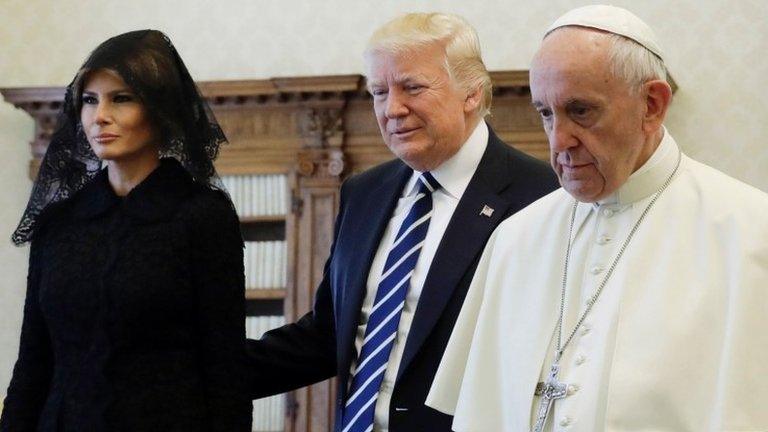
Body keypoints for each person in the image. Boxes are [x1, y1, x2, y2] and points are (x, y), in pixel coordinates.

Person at [426, 5, 768, 432]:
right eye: (546, 114)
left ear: (652, 104)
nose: (558, 140)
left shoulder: (750, 233)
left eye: (581, 111)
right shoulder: (515, 238)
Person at [246, 12, 558, 432]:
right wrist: (184, 371)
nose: (392, 108)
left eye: (412, 87)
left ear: (471, 93)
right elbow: (328, 336)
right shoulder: (363, 193)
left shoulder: (543, 197)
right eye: (379, 91)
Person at [0, 30, 251, 431]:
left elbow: (224, 370)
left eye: (121, 98)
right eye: (89, 100)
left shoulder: (202, 216)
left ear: (159, 108)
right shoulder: (58, 222)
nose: (99, 116)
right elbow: (33, 362)